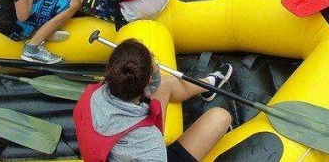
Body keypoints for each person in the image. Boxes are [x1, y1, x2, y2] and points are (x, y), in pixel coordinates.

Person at [74, 38, 233, 162]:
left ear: (109, 70)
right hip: (145, 150)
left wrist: (152, 72)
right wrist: (153, 66)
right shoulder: (151, 141)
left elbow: (154, 84)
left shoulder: (90, 95)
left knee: (163, 84)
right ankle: (210, 87)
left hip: (120, 148)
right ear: (148, 79)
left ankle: (209, 85)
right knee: (221, 117)